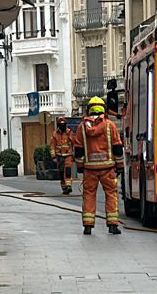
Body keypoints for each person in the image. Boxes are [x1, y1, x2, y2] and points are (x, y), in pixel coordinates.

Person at [72, 96, 124, 235]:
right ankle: (112, 225)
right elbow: (117, 148)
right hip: (108, 168)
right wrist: (120, 166)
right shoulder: (109, 125)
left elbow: (78, 150)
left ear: (89, 109)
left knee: (89, 195)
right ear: (104, 109)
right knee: (111, 195)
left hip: (90, 169)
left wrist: (80, 167)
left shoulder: (82, 127)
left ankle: (88, 226)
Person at [50, 117, 74, 195]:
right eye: (61, 124)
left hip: (68, 155)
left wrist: (75, 153)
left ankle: (68, 186)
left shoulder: (69, 132)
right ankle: (64, 187)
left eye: (63, 124)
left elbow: (74, 143)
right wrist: (53, 156)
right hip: (59, 156)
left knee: (68, 171)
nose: (62, 126)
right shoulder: (55, 134)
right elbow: (52, 146)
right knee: (61, 172)